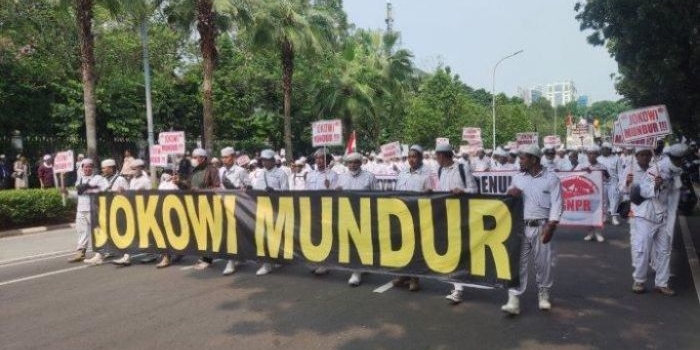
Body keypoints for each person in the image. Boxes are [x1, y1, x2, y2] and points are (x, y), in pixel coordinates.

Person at [501, 144, 563, 315]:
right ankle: (513, 299)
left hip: (542, 226)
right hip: (521, 227)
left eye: (523, 158)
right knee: (517, 263)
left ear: (533, 159)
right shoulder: (518, 178)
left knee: (543, 263)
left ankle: (543, 293)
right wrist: (510, 194)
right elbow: (509, 200)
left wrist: (552, 225)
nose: (519, 161)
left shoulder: (551, 179)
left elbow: (558, 204)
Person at [626, 145, 682, 296]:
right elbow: (642, 190)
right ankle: (639, 280)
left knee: (664, 250)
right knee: (643, 249)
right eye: (677, 159)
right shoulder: (655, 171)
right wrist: (655, 186)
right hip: (646, 215)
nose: (679, 162)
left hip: (662, 214)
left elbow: (673, 192)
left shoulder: (675, 171)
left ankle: (662, 284)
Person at [434, 144, 478, 304]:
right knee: (452, 251)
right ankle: (457, 286)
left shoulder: (462, 168)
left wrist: (462, 191)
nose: (436, 159)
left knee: (460, 251)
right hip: (447, 216)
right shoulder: (440, 171)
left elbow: (474, 190)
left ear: (444, 156)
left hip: (463, 216)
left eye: (437, 156)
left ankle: (459, 288)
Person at [392, 145, 434, 291]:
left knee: (415, 247)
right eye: (409, 157)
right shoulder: (402, 173)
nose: (411, 159)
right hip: (402, 214)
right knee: (402, 246)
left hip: (417, 215)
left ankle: (415, 278)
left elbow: (432, 194)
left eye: (414, 156)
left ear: (420, 158)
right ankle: (403, 274)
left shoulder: (427, 174)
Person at [336, 152, 378, 286]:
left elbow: (378, 197)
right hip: (347, 215)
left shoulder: (369, 177)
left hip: (364, 216)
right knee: (351, 244)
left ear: (360, 163)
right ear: (347, 164)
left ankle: (360, 269)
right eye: (350, 162)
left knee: (363, 243)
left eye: (355, 162)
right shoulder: (341, 178)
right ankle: (356, 270)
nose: (352, 165)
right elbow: (334, 197)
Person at [83, 159, 130, 265]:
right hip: (104, 211)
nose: (103, 170)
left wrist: (121, 193)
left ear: (111, 168)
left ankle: (127, 256)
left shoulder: (120, 179)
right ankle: (99, 255)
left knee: (121, 233)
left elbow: (127, 195)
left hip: (118, 211)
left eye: (105, 168)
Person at [181, 148, 222, 270]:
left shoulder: (211, 170)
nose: (193, 159)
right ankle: (203, 255)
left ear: (202, 158)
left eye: (195, 157)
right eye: (193, 157)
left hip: (208, 205)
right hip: (196, 205)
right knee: (199, 232)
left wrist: (201, 191)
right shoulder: (194, 171)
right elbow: (189, 186)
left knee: (207, 232)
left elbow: (217, 187)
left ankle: (208, 258)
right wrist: (179, 183)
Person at [252, 149, 289, 276]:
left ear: (273, 161)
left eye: (267, 160)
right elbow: (256, 190)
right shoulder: (260, 174)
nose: (265, 162)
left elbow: (286, 193)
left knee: (275, 236)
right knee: (263, 236)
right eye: (263, 160)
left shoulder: (281, 174)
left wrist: (274, 191)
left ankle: (278, 258)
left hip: (276, 209)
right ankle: (266, 264)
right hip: (262, 208)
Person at [67, 159, 109, 262]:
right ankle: (81, 253)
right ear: (82, 168)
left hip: (94, 209)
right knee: (81, 232)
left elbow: (106, 190)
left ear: (93, 168)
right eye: (85, 166)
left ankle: (102, 253)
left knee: (98, 231)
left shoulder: (98, 179)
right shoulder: (79, 180)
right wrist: (67, 193)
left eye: (90, 166)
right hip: (81, 210)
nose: (87, 168)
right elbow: (78, 195)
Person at [306, 148, 340, 276]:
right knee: (314, 237)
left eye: (322, 158)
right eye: (317, 158)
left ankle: (325, 263)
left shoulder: (333, 175)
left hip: (326, 210)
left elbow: (337, 195)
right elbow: (306, 192)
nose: (319, 161)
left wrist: (329, 187)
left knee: (325, 237)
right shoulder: (310, 174)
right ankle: (315, 261)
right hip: (313, 210)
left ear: (328, 160)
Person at [113, 159, 152, 266]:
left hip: (144, 210)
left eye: (135, 169)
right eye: (132, 169)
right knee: (132, 234)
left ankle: (151, 253)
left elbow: (150, 196)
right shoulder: (133, 180)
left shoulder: (146, 180)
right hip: (134, 210)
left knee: (145, 234)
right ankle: (127, 257)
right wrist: (123, 191)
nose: (133, 171)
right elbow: (131, 194)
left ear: (141, 168)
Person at [219, 146, 250, 275]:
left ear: (233, 158)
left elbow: (249, 188)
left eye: (226, 157)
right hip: (223, 206)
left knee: (233, 234)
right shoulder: (220, 171)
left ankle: (231, 262)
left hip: (237, 207)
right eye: (223, 157)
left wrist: (237, 188)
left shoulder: (240, 171)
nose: (224, 160)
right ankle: (238, 257)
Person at [578, 145, 609, 242]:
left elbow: (608, 178)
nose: (592, 156)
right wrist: (583, 173)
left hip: (598, 194)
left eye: (594, 154)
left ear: (597, 155)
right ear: (587, 155)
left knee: (598, 214)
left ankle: (598, 233)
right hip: (586, 194)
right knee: (588, 214)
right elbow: (573, 176)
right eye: (590, 154)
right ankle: (590, 233)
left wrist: (603, 174)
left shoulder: (602, 166)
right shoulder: (581, 166)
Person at [598, 142, 622, 225]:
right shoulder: (599, 159)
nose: (604, 150)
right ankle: (605, 217)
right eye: (603, 148)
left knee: (614, 200)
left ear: (610, 150)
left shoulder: (616, 158)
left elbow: (620, 172)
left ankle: (614, 217)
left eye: (606, 149)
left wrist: (620, 184)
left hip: (613, 183)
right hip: (602, 182)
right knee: (603, 201)